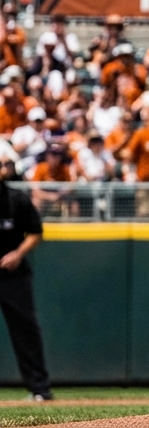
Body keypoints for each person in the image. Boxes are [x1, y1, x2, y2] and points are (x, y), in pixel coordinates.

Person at [0, 166, 52, 401]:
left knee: (25, 330)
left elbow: (35, 232)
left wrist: (18, 253)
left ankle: (40, 389)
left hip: (13, 275)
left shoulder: (16, 199)